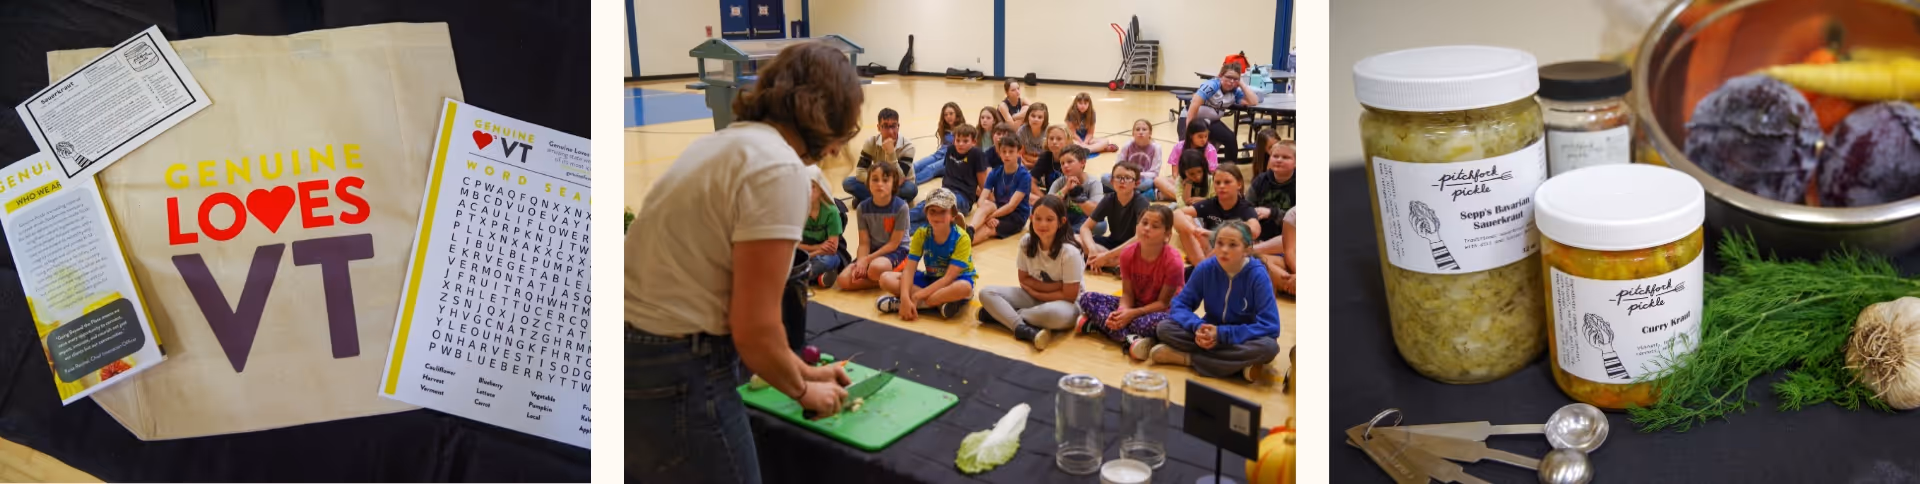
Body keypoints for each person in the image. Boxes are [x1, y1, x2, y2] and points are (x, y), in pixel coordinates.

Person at [628, 41, 857, 483]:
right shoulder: (780, 169)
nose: (834, 150)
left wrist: (804, 370)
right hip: (676, 363)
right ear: (823, 115)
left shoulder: (726, 143)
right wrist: (805, 390)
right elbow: (755, 329)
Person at [1152, 220, 1283, 382]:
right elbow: (1180, 305)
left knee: (1268, 348)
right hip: (1210, 333)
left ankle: (1188, 359)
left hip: (1241, 337)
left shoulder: (1257, 275)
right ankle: (1236, 366)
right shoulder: (1206, 268)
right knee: (1164, 327)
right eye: (1219, 243)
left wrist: (1222, 334)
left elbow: (1270, 326)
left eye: (1232, 245)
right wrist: (1198, 327)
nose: (1224, 250)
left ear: (1247, 250)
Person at [976, 195, 1085, 350]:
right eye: (1038, 218)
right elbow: (1024, 280)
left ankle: (1004, 316)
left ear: (1061, 222)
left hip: (1067, 305)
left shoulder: (1070, 252)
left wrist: (1040, 292)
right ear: (1031, 218)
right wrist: (1056, 287)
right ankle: (1021, 328)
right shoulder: (1026, 242)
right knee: (986, 292)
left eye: (1049, 219)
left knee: (1053, 314)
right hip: (1034, 296)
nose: (1042, 224)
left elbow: (1069, 295)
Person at [1079, 205, 1185, 360]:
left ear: (1167, 235)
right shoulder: (1127, 254)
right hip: (1135, 305)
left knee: (1149, 324)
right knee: (1086, 298)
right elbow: (1127, 293)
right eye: (1144, 223)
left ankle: (1100, 327)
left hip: (1162, 311)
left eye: (1155, 226)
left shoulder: (1173, 261)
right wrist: (1122, 312)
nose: (1147, 229)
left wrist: (1131, 315)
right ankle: (1131, 339)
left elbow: (1163, 303)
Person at [880, 187, 977, 320]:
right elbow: (909, 270)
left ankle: (912, 305)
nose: (937, 216)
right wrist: (904, 296)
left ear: (953, 215)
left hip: (954, 281)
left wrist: (915, 296)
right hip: (932, 279)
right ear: (926, 213)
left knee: (965, 288)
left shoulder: (962, 238)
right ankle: (937, 304)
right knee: (885, 278)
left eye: (942, 212)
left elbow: (948, 278)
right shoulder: (922, 233)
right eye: (932, 211)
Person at [836, 162, 911, 291]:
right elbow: (864, 243)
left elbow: (894, 243)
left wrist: (867, 260)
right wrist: (860, 262)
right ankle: (884, 280)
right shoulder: (862, 208)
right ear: (868, 183)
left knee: (875, 269)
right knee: (843, 280)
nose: (879, 184)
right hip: (873, 251)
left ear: (894, 184)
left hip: (897, 251)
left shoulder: (901, 207)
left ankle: (895, 273)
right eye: (875, 179)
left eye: (885, 180)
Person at [1175, 164, 1259, 265]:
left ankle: (1204, 267)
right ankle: (1203, 267)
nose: (1221, 186)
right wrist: (1195, 230)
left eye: (1227, 182)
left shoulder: (1245, 208)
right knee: (1185, 219)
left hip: (1232, 256)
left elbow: (1254, 231)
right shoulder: (1210, 204)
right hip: (1207, 250)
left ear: (1239, 184)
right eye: (1217, 183)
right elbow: (1176, 213)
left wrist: (1212, 233)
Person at [910, 123, 990, 228]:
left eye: (965, 141)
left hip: (963, 198)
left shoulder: (977, 154)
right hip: (946, 192)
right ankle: (901, 225)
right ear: (954, 140)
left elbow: (983, 184)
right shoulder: (951, 150)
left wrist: (990, 201)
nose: (961, 144)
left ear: (974, 142)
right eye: (958, 140)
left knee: (937, 209)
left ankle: (899, 222)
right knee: (927, 206)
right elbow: (947, 174)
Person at [1246, 134, 1295, 296]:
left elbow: (1296, 221)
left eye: (1286, 157)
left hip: (1287, 244)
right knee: (1257, 261)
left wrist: (1272, 213)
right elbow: (1245, 207)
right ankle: (1289, 282)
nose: (1279, 160)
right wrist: (1252, 218)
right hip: (1263, 243)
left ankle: (1250, 251)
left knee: (1284, 241)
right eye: (1275, 156)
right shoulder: (1261, 180)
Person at [1185, 62, 1260, 164]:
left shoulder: (1235, 92)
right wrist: (1189, 130)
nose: (1231, 82)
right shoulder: (1212, 85)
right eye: (1228, 77)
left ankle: (1230, 170)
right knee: (1190, 145)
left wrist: (1241, 84)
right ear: (1220, 76)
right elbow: (1193, 106)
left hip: (1212, 122)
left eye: (1235, 79)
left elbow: (1253, 101)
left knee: (1230, 138)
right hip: (1193, 119)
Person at [1083, 161, 1149, 274]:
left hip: (1134, 247)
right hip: (1113, 244)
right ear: (1112, 181)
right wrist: (1092, 249)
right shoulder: (1109, 199)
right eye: (1118, 177)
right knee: (1074, 239)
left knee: (1142, 254)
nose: (1122, 181)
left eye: (1128, 178)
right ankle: (1115, 264)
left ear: (1136, 183)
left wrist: (1106, 256)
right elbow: (1085, 228)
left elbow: (1139, 237)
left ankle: (1106, 262)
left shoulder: (1141, 203)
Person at [843, 108, 917, 207]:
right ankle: (890, 201)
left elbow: (900, 177)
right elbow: (860, 171)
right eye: (885, 126)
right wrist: (879, 182)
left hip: (902, 185)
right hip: (882, 182)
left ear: (898, 126)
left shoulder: (908, 146)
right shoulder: (870, 143)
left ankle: (869, 199)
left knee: (911, 190)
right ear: (878, 127)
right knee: (848, 183)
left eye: (893, 126)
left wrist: (891, 153)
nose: (890, 131)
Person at [969, 134, 1032, 242]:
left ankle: (961, 245)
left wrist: (989, 218)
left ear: (1019, 152)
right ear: (999, 152)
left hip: (1016, 217)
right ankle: (970, 229)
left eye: (1011, 151)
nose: (1007, 155)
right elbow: (981, 199)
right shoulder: (996, 172)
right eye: (1004, 151)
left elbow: (1011, 206)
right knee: (987, 205)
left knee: (988, 228)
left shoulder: (1024, 176)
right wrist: (986, 213)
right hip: (999, 210)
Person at [801, 166, 847, 288]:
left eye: (812, 187)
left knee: (827, 261)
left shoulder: (831, 212)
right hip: (807, 252)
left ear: (821, 189)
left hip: (825, 255)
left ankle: (800, 277)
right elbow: (793, 244)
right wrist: (817, 248)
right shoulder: (797, 210)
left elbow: (832, 248)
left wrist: (806, 256)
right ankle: (817, 277)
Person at [1048, 145, 1103, 234]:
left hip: (1084, 219)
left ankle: (1065, 234)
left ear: (1082, 163)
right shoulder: (1059, 182)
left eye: (1070, 161)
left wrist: (1077, 196)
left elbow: (1096, 212)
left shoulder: (1094, 183)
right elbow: (1047, 205)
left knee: (1100, 225)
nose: (1065, 165)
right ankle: (1069, 234)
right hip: (1064, 218)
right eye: (1062, 163)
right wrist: (1065, 189)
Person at [910, 102, 965, 187]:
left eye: (951, 114)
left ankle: (909, 184)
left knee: (930, 168)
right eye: (945, 115)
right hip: (939, 154)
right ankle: (897, 179)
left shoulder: (964, 129)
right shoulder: (944, 128)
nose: (948, 117)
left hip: (951, 159)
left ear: (957, 113)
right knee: (917, 165)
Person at [1106, 119, 1165, 199]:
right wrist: (1126, 176)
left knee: (1150, 183)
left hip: (1143, 180)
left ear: (1150, 133)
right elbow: (1118, 165)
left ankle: (1122, 193)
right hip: (1126, 179)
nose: (1141, 132)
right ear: (1133, 133)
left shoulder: (1156, 148)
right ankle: (1139, 195)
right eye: (1137, 129)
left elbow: (1154, 173)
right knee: (1104, 177)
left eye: (1144, 129)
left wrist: (1137, 175)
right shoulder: (1127, 146)